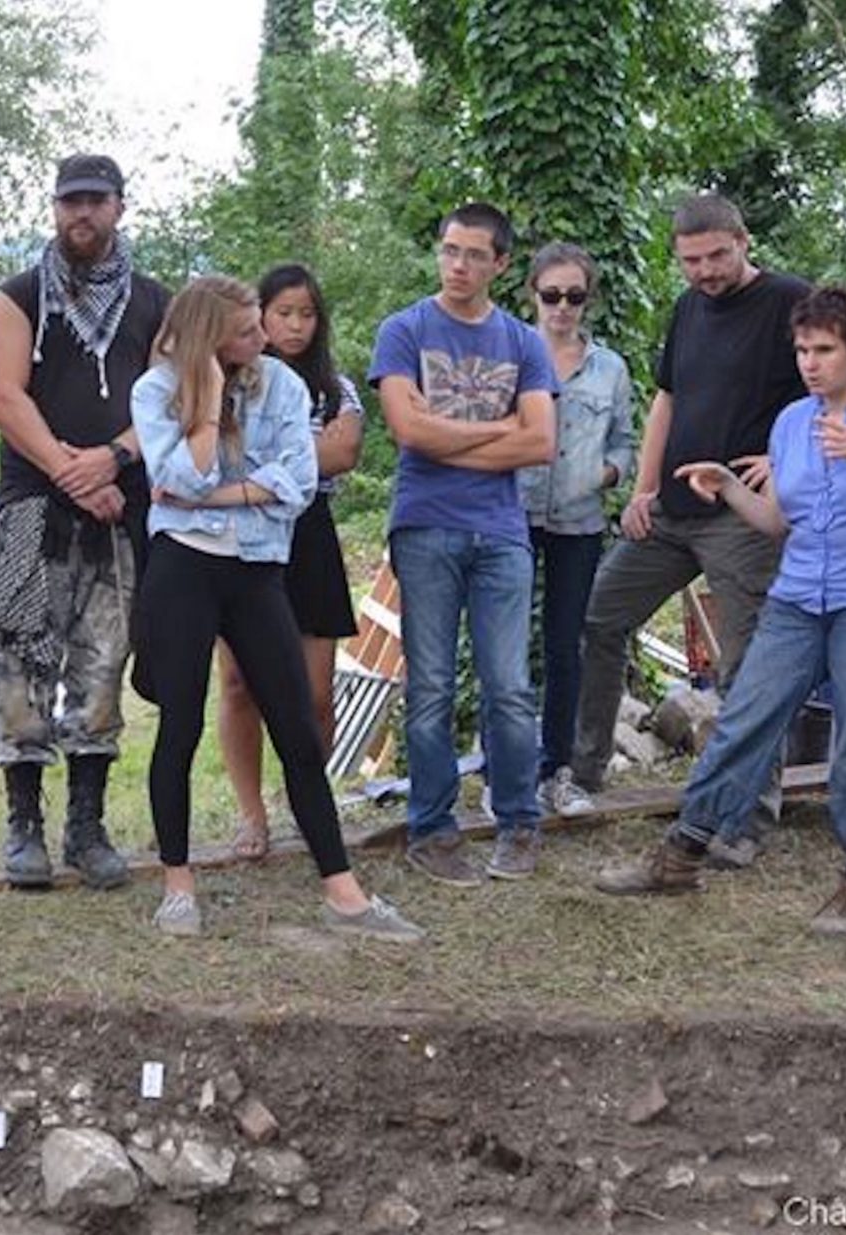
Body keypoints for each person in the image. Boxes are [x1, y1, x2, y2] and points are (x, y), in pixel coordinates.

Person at [595, 288, 846, 935]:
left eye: (824, 350)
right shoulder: (791, 422)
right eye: (802, 349)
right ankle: (682, 853)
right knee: (743, 720)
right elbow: (783, 522)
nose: (810, 362)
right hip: (798, 596)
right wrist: (729, 487)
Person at [131, 276, 425, 942]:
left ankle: (343, 892)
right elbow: (177, 478)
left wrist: (214, 497)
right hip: (183, 567)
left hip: (260, 565)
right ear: (211, 338)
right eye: (246, 331)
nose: (263, 339)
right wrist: (205, 405)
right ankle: (177, 884)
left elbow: (296, 483)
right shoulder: (155, 391)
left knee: (295, 722)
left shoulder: (284, 387)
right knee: (179, 723)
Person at [565, 196, 811, 867]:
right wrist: (644, 489)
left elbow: (845, 381)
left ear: (743, 239)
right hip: (672, 510)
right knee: (598, 615)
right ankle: (583, 772)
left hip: (743, 518)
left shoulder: (792, 300)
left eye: (716, 256)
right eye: (690, 260)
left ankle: (745, 816)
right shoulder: (687, 308)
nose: (703, 271)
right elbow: (667, 399)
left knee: (749, 669)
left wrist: (787, 458)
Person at [0, 153, 171, 891]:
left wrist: (113, 459)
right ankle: (22, 823)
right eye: (68, 202)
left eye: (93, 201)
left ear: (120, 206)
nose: (79, 215)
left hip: (120, 508)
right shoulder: (19, 294)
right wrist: (71, 470)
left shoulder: (154, 302)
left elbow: (166, 398)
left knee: (102, 665)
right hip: (30, 506)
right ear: (54, 207)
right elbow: (5, 398)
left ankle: (86, 825)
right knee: (22, 667)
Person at [368, 202, 557, 886]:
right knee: (431, 685)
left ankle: (518, 821)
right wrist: (496, 433)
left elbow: (542, 441)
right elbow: (408, 433)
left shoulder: (523, 343)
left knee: (508, 685)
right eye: (450, 250)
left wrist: (445, 430)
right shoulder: (404, 329)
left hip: (501, 532)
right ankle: (433, 827)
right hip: (425, 524)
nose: (459, 265)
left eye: (476, 254)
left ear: (501, 264)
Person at [214, 265, 363, 860]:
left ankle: (305, 800)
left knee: (315, 693)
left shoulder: (335, 387)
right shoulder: (229, 381)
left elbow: (343, 451)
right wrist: (295, 459)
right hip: (245, 538)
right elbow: (219, 457)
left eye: (307, 314)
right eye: (284, 313)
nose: (296, 325)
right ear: (260, 318)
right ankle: (251, 815)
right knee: (238, 683)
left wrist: (272, 463)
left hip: (311, 538)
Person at [516, 242, 635, 818]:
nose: (562, 307)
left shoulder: (609, 368)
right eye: (551, 295)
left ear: (589, 299)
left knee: (567, 646)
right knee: (505, 644)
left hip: (579, 519)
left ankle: (557, 771)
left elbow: (625, 442)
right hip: (509, 511)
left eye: (575, 297)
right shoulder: (508, 350)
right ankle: (506, 770)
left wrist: (607, 472)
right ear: (532, 293)